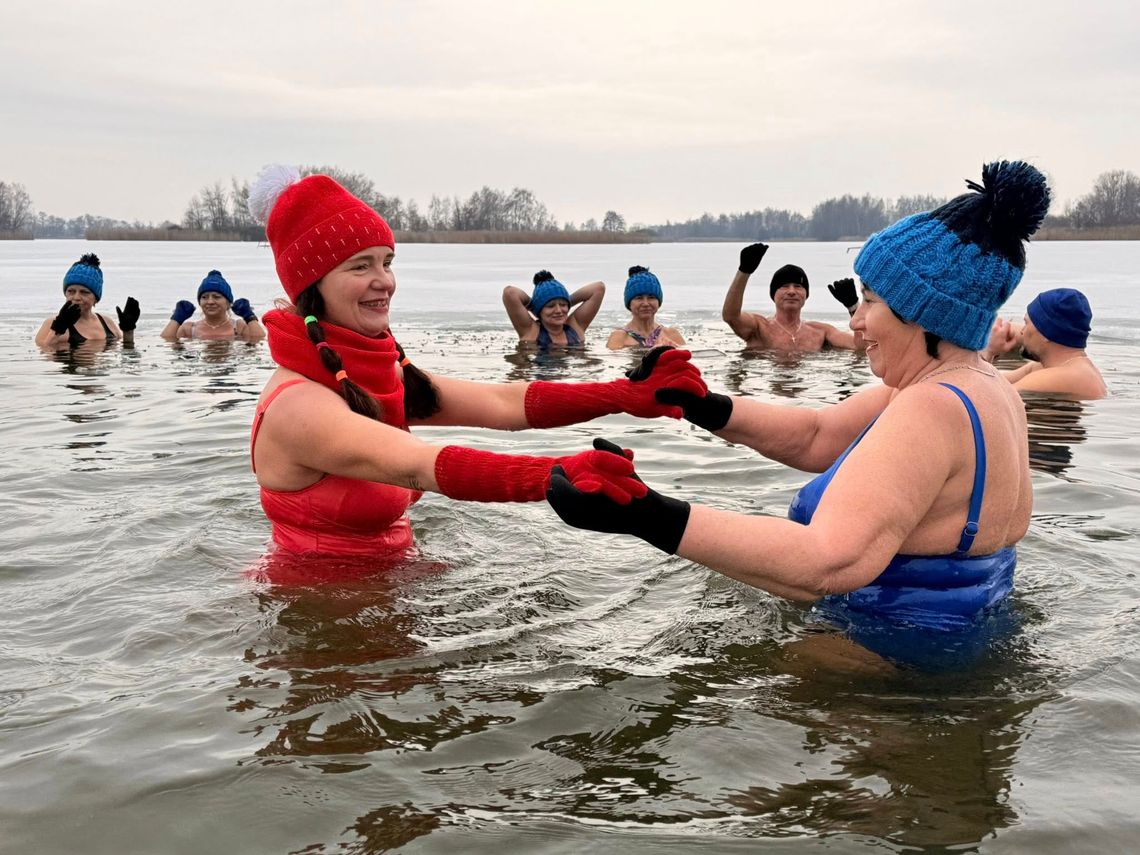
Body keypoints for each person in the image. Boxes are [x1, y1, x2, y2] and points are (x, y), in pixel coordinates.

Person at [549, 160, 1051, 665]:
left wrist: (642, 513)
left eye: (870, 302)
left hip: (888, 671)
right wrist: (704, 406)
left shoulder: (932, 407)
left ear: (923, 315)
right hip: (964, 652)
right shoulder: (984, 389)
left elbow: (827, 562)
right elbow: (819, 435)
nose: (855, 320)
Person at [244, 165, 705, 559]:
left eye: (387, 261)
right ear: (311, 286)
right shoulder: (299, 406)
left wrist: (622, 395)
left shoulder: (375, 373)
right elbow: (421, 464)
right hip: (320, 610)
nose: (384, 281)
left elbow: (500, 402)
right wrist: (556, 473)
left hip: (393, 580)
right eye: (360, 266)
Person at [721, 244, 863, 352]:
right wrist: (744, 272)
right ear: (773, 295)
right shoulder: (759, 327)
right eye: (784, 286)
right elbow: (731, 316)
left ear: (806, 295)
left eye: (798, 286)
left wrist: (854, 307)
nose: (791, 291)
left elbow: (860, 347)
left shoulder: (821, 331)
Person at [984, 288, 1106, 400]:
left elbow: (985, 396)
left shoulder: (1056, 377)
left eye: (1026, 324)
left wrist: (988, 351)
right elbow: (996, 381)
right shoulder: (1065, 368)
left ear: (1046, 332)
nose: (1022, 331)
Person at [35, 254, 138, 348]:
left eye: (84, 292)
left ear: (96, 298)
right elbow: (45, 354)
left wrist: (128, 331)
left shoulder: (107, 322)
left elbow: (126, 352)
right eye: (71, 291)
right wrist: (57, 330)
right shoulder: (50, 324)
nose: (76, 297)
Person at [502, 270, 604, 348]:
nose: (559, 311)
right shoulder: (530, 330)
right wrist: (535, 307)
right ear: (540, 310)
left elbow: (598, 288)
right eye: (550, 306)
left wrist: (567, 303)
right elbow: (510, 293)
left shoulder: (576, 327)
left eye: (563, 305)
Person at [160, 270, 266, 342]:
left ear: (228, 303)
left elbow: (260, 339)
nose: (210, 302)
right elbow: (167, 341)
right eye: (204, 297)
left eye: (216, 297)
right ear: (199, 302)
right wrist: (176, 319)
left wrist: (249, 316)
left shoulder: (239, 327)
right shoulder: (189, 329)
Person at [606, 266, 685, 350]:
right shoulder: (619, 337)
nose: (646, 303)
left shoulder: (671, 335)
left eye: (651, 297)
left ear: (659, 302)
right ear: (629, 304)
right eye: (639, 298)